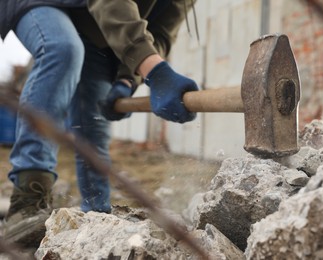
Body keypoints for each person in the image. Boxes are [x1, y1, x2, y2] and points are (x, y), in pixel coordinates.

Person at [0, 0, 198, 247]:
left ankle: (96, 222)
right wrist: (155, 71)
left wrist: (127, 79)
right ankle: (27, 201)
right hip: (47, 4)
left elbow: (160, 31)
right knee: (61, 48)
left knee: (94, 121)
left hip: (96, 26)